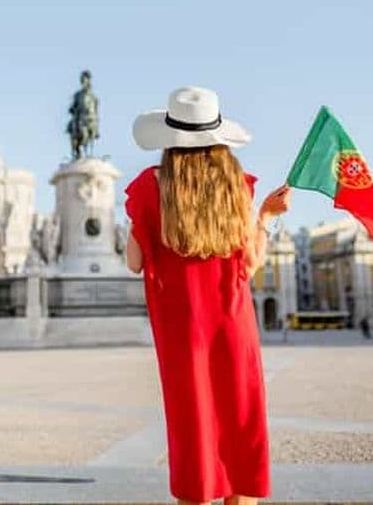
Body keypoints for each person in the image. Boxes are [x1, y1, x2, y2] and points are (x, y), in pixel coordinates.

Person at [124, 86, 291, 505]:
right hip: (233, 321)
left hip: (182, 329)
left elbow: (133, 261)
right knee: (239, 418)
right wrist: (266, 216)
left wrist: (140, 225)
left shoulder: (148, 188)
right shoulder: (237, 186)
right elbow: (249, 264)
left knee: (193, 421)